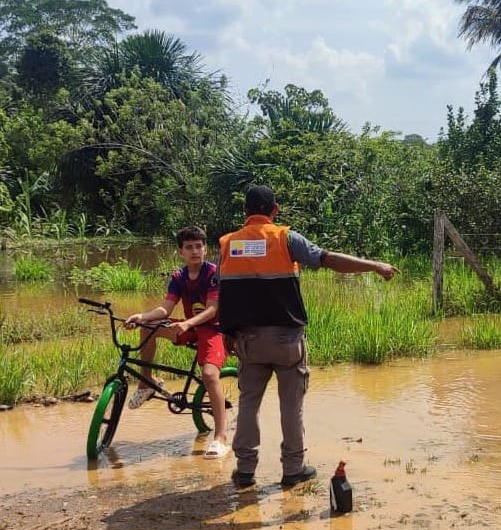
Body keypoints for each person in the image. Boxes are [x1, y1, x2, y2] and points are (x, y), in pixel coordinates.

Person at [218, 185, 398, 489]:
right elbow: (327, 259)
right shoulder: (286, 238)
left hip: (248, 341)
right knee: (291, 406)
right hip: (286, 341)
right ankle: (293, 469)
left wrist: (227, 332)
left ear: (245, 211)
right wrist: (375, 266)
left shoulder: (228, 244)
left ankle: (245, 470)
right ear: (275, 210)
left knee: (248, 404)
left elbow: (225, 292)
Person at [123, 225, 230, 459]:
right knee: (149, 327)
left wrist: (188, 323)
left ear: (205, 249)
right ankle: (146, 383)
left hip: (214, 329)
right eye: (189, 247)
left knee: (210, 375)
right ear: (180, 252)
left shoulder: (213, 274)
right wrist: (142, 316)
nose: (195, 251)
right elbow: (166, 308)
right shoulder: (179, 277)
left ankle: (221, 438)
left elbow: (213, 309)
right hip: (190, 326)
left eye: (199, 246)